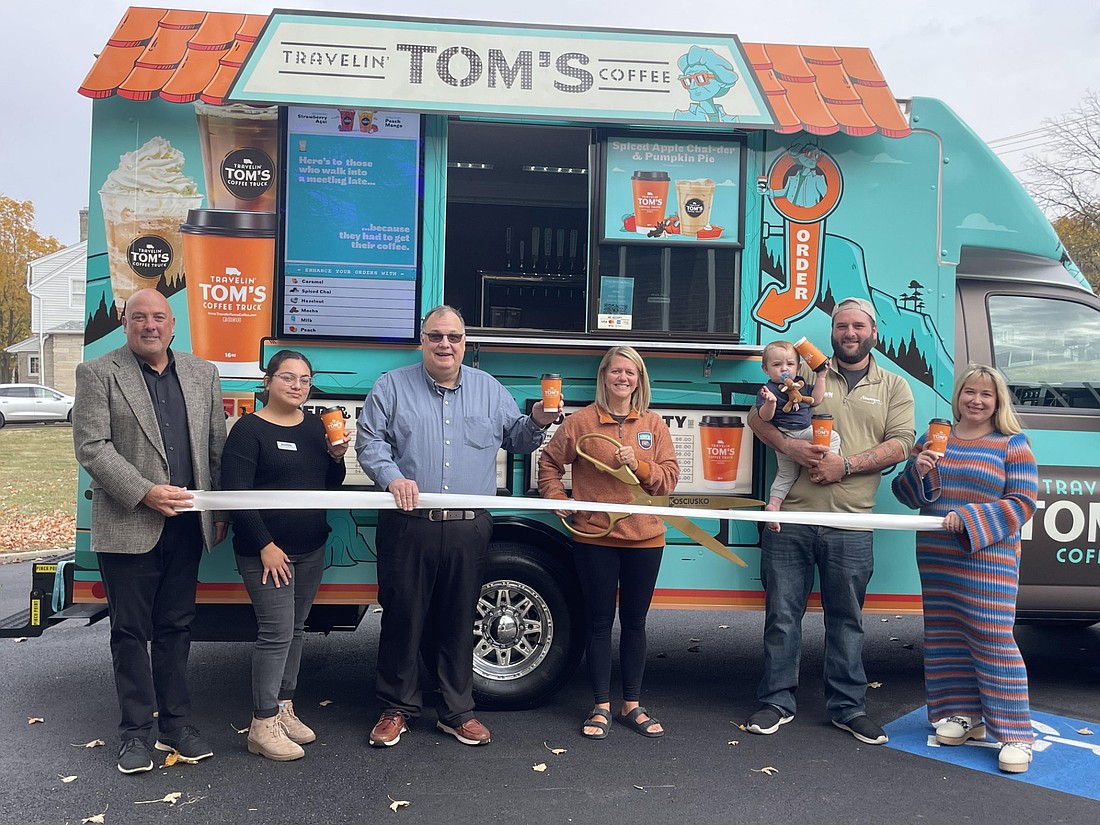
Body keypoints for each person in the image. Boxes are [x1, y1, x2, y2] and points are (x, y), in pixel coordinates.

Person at [356, 305, 559, 747]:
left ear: (465, 343)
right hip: (409, 525)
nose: (444, 344)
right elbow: (369, 442)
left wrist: (541, 420)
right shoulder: (391, 387)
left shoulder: (489, 389)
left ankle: (456, 711)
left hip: (469, 527)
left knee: (458, 619)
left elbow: (518, 439)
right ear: (422, 341)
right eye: (435, 337)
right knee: (403, 618)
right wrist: (392, 477)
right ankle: (396, 708)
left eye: (453, 337)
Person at [744, 296, 914, 744]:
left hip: (852, 522)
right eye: (842, 326)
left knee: (847, 620)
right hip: (793, 519)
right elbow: (755, 420)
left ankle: (848, 708)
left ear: (873, 332)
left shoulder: (895, 386)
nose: (850, 333)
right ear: (833, 331)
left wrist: (848, 465)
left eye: (859, 326)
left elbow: (902, 444)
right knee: (782, 616)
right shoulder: (805, 373)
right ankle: (776, 701)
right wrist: (788, 447)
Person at [72, 288, 227, 775]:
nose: (149, 325)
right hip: (128, 523)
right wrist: (145, 492)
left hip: (186, 526)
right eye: (139, 317)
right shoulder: (98, 372)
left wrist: (217, 511)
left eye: (158, 317)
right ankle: (135, 734)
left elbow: (215, 445)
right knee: (129, 632)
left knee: (177, 628)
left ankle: (177, 726)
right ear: (125, 323)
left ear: (173, 324)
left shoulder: (203, 374)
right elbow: (92, 447)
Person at [892, 365, 1038, 773]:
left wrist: (970, 517)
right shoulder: (935, 439)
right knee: (946, 634)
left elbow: (1023, 503)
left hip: (988, 558)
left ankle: (1015, 734)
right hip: (938, 556)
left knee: (992, 638)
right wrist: (917, 471)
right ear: (958, 397)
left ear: (998, 401)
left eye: (985, 395)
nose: (976, 400)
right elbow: (906, 496)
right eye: (969, 392)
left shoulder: (1013, 444)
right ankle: (963, 715)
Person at [538, 346, 679, 740]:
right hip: (593, 537)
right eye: (615, 371)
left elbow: (668, 480)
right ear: (604, 377)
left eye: (630, 373)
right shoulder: (581, 421)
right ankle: (600, 705)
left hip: (646, 538)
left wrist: (640, 465)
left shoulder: (654, 423)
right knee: (599, 622)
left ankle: (631, 705)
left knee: (635, 623)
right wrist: (556, 498)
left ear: (639, 380)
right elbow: (549, 462)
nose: (622, 378)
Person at [221, 350, 347, 761]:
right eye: (288, 378)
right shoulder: (247, 430)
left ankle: (284, 708)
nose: (296, 386)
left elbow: (328, 485)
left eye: (304, 380)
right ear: (268, 382)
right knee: (275, 633)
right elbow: (236, 495)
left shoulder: (315, 428)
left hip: (310, 548)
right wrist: (265, 545)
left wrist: (337, 460)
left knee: (296, 629)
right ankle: (261, 725)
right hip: (266, 553)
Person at [755, 339, 838, 520]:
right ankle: (826, 463)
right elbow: (764, 417)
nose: (784, 369)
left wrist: (821, 377)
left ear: (798, 368)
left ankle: (774, 504)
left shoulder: (799, 384)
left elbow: (815, 399)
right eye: (777, 364)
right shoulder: (767, 390)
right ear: (765, 369)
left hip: (801, 432)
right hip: (787, 434)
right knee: (834, 438)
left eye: (790, 364)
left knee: (787, 473)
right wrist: (770, 402)